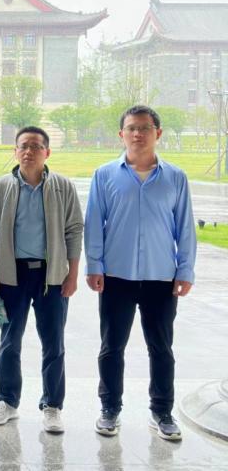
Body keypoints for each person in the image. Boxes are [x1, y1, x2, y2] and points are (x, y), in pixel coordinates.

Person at [85, 104, 196, 441]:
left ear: (157, 133)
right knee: (111, 347)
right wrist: (94, 265)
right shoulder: (105, 175)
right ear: (121, 134)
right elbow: (94, 223)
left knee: (161, 348)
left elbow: (185, 228)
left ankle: (162, 412)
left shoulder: (175, 177)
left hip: (161, 277)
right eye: (132, 128)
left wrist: (185, 270)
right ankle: (110, 408)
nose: (138, 134)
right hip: (116, 276)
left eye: (145, 128)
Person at [0, 127, 82, 434]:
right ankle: (7, 401)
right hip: (12, 274)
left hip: (52, 276)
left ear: (47, 152)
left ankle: (52, 405)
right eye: (23, 146)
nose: (29, 152)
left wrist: (72, 274)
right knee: (9, 340)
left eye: (36, 146)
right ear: (15, 151)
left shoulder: (62, 187)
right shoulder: (1, 187)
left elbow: (74, 230)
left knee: (53, 342)